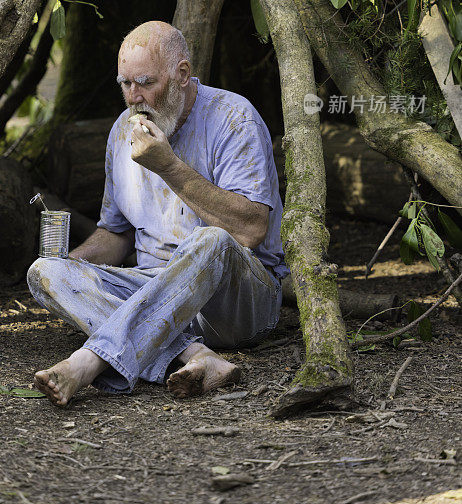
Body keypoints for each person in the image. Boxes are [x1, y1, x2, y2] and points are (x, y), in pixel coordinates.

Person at [27, 21, 286, 406]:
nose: (134, 97)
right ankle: (195, 356)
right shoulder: (121, 131)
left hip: (235, 302)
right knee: (45, 271)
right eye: (125, 84)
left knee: (211, 239)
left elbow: (250, 231)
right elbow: (116, 234)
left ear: (181, 74)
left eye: (146, 82)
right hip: (155, 291)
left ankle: (89, 361)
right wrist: (76, 267)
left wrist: (168, 166)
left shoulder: (234, 118)